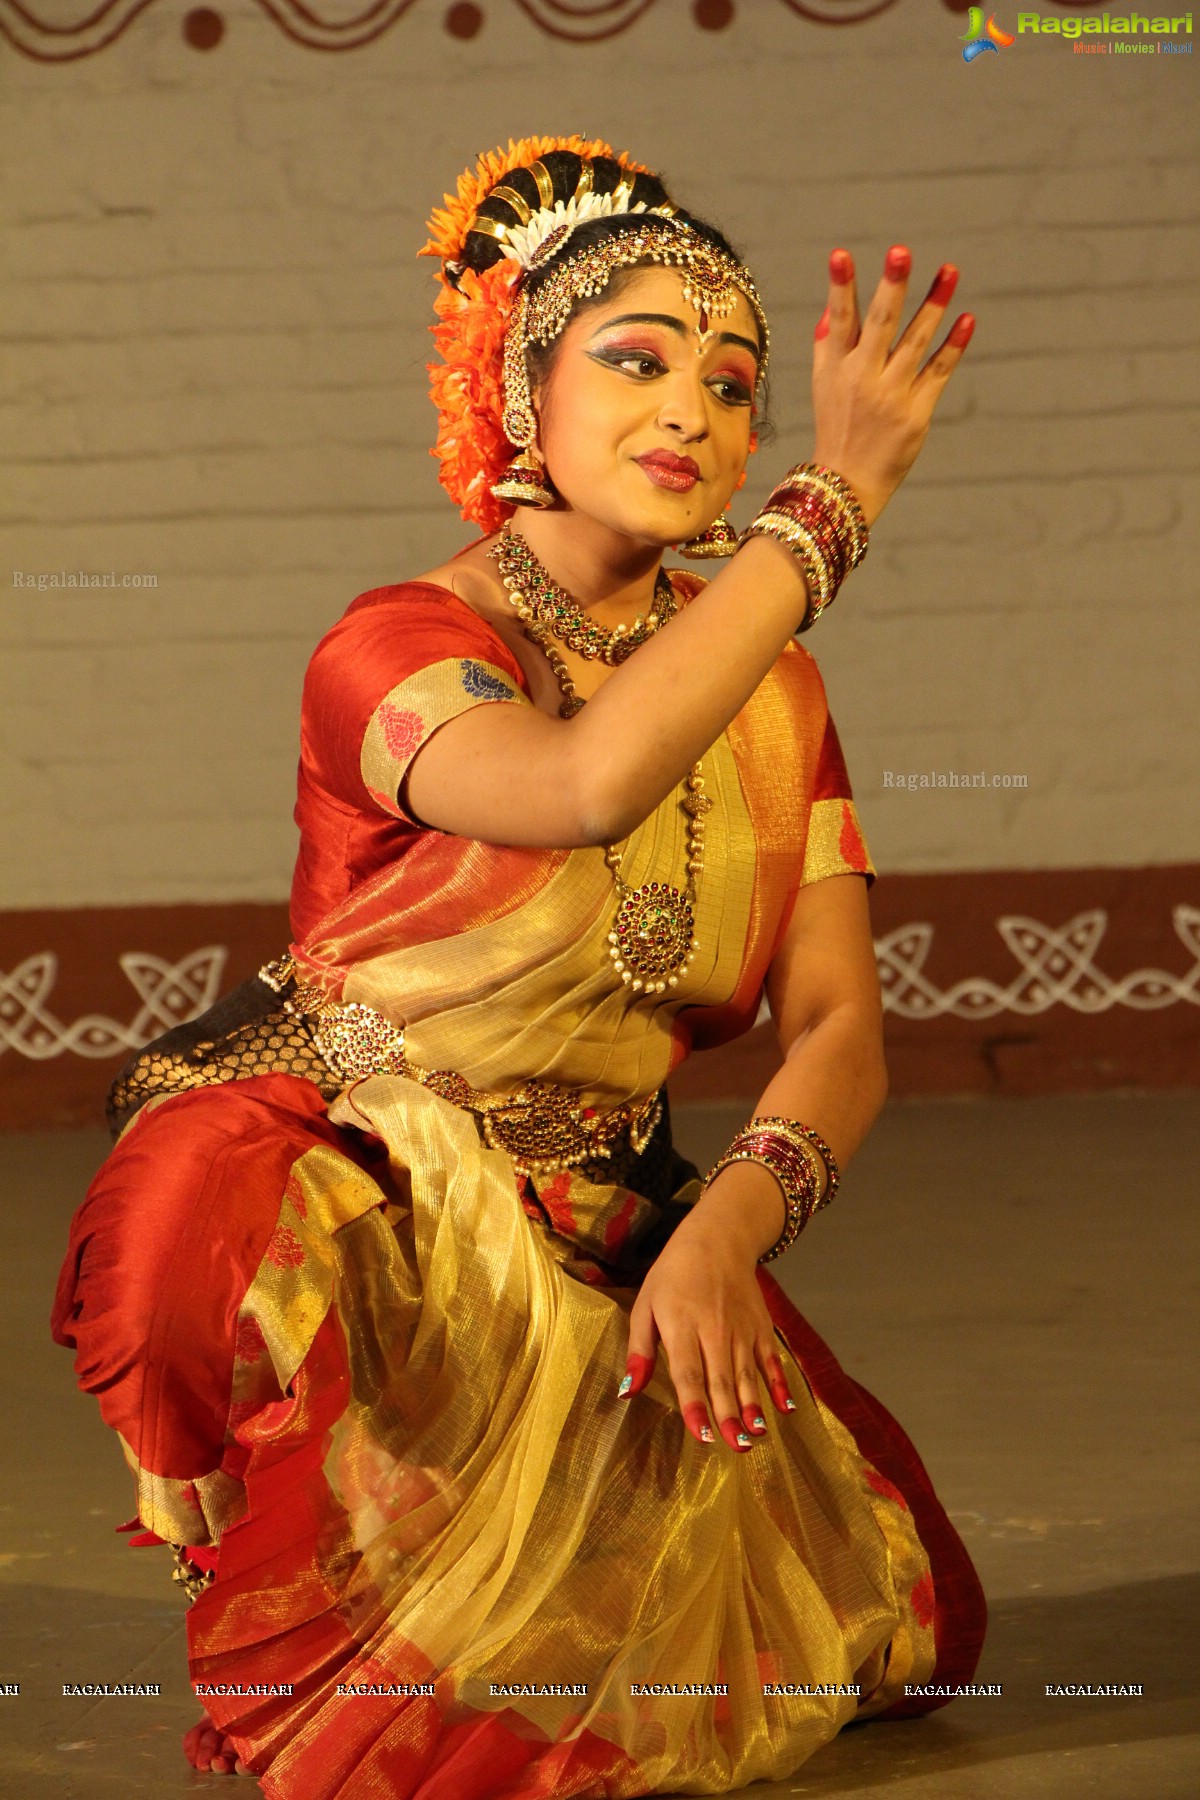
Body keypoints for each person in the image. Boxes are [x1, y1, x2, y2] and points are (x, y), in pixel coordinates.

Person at [52, 135, 985, 1796]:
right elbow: (581, 785)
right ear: (511, 397)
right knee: (427, 1735)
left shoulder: (774, 695)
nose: (692, 411)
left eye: (732, 382)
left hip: (616, 1227)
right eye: (635, 362)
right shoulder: (395, 650)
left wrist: (725, 1228)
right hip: (374, 1215)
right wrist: (832, 505)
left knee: (909, 1622)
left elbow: (843, 1028)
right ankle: (284, 1483)